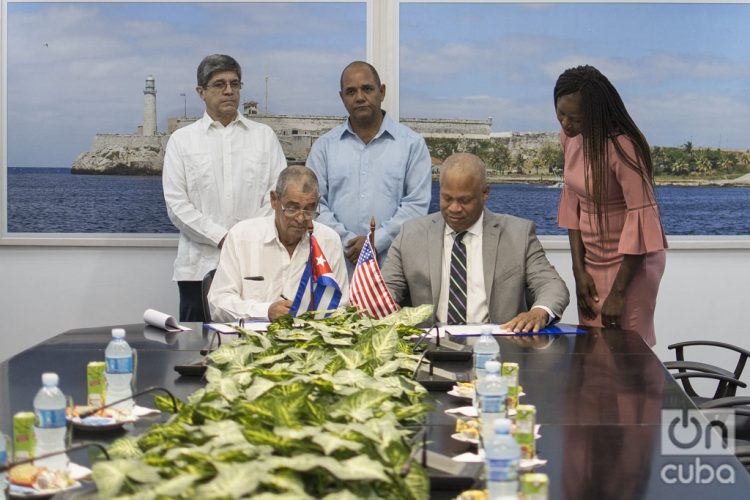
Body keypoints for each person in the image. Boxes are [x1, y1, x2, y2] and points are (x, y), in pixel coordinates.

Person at [381, 153, 569, 331]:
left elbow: (551, 285)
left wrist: (539, 312)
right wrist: (384, 307)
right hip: (429, 348)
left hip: (497, 348)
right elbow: (386, 289)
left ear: (485, 192)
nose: (454, 208)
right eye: (447, 198)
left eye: (464, 200)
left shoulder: (519, 234)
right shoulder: (411, 234)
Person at [163, 54, 287, 322]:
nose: (229, 91)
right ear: (201, 92)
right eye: (219, 84)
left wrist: (246, 237)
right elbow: (177, 206)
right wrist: (223, 237)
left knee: (255, 349)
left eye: (235, 83)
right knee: (195, 352)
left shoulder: (264, 137)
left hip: (255, 267)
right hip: (198, 269)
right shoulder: (181, 142)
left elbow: (278, 198)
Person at [555, 65, 667, 346]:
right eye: (561, 115)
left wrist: (618, 293)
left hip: (631, 267)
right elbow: (572, 206)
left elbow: (641, 219)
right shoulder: (568, 139)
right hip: (591, 261)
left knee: (625, 351)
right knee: (592, 349)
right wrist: (578, 270)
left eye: (575, 119)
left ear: (595, 114)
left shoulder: (623, 146)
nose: (566, 125)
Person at [306, 61, 432, 273]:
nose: (360, 97)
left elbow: (417, 205)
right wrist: (347, 242)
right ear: (342, 97)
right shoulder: (324, 147)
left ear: (381, 92)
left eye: (367, 89)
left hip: (394, 268)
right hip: (336, 267)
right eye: (351, 91)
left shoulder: (412, 144)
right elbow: (313, 204)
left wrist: (376, 240)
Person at [208, 165, 348, 322]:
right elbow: (218, 302)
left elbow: (340, 306)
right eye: (292, 208)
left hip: (308, 341)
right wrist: (265, 311)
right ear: (274, 200)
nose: (301, 218)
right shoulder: (241, 237)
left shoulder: (329, 241)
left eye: (309, 209)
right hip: (252, 341)